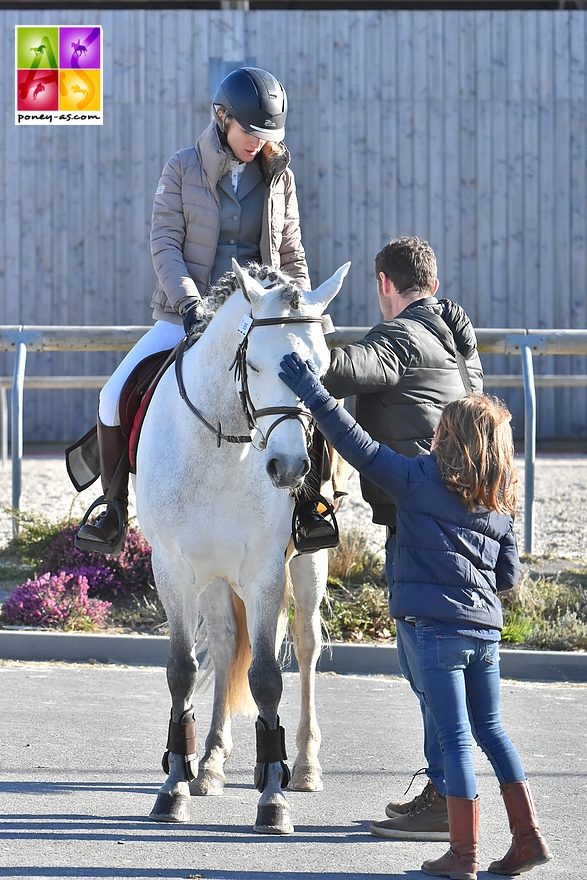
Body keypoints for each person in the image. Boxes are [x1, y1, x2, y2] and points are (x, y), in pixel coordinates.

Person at [278, 356, 552, 880]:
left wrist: (310, 389)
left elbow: (353, 441)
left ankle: (464, 856)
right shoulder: (499, 504)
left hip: (433, 632)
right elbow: (508, 576)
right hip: (484, 632)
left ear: (446, 439)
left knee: (454, 739)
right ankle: (528, 838)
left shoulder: (416, 479)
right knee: (492, 731)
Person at [75, 66, 336, 555]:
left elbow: (292, 253)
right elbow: (165, 244)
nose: (258, 142)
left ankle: (308, 506)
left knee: (309, 397)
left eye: (267, 134)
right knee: (112, 397)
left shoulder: (281, 178)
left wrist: (302, 315)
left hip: (261, 319)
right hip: (186, 315)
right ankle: (113, 510)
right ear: (222, 117)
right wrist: (189, 304)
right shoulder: (181, 167)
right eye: (250, 131)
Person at [321, 236, 483, 840]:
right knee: (446, 672)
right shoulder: (453, 342)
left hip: (418, 526)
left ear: (384, 283)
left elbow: (352, 369)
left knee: (426, 667)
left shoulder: (404, 337)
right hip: (457, 520)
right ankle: (446, 794)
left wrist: (298, 343)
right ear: (432, 282)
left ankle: (445, 803)